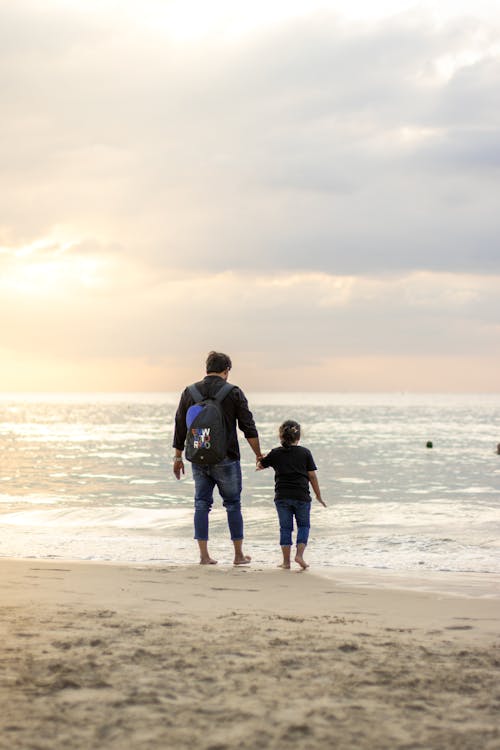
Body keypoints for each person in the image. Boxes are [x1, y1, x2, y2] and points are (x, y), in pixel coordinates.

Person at [173, 351, 263, 565]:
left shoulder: (190, 392)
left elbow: (179, 425)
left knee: (201, 504)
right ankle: (238, 555)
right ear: (226, 371)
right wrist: (259, 455)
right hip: (227, 458)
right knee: (233, 504)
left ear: (207, 368)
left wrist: (178, 457)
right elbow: (248, 426)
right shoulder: (233, 392)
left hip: (198, 456)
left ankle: (204, 556)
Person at [257, 419, 326, 570]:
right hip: (302, 497)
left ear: (280, 436)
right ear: (298, 437)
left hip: (282, 497)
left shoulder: (275, 453)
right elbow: (312, 476)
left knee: (285, 528)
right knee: (304, 526)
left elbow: (260, 465)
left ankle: (286, 562)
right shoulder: (305, 453)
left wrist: (260, 459)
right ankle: (299, 555)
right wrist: (318, 495)